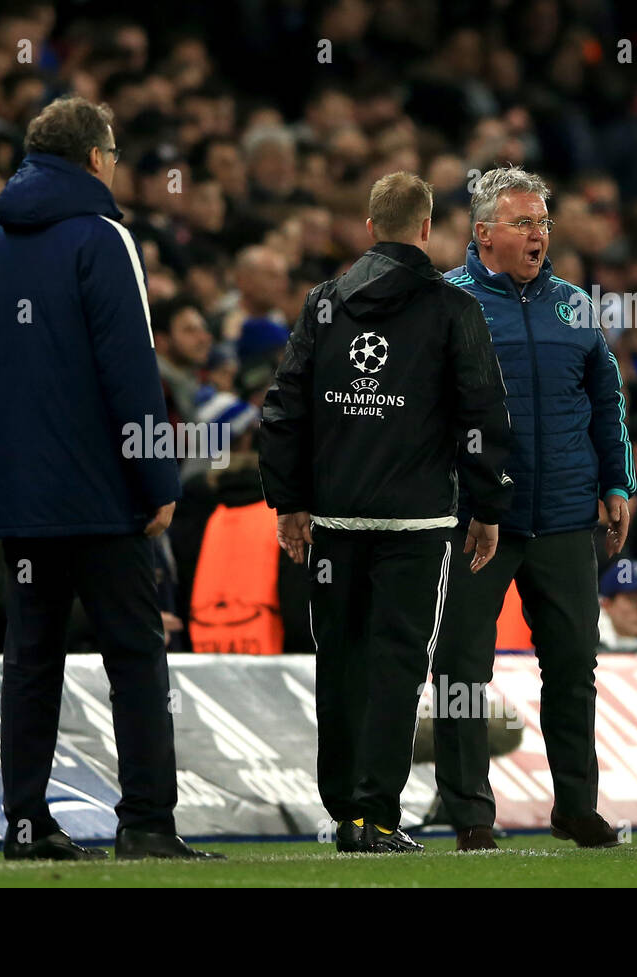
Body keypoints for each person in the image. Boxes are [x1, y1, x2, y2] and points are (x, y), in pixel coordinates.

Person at [0, 95, 220, 861]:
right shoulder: (104, 238)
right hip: (103, 495)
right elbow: (129, 368)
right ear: (95, 157)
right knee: (135, 657)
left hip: (23, 501)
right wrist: (157, 478)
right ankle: (144, 821)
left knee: (31, 659)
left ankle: (27, 821)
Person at [259, 171, 514, 854]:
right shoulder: (453, 311)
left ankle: (344, 811)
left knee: (339, 661)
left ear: (369, 228)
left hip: (335, 524)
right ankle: (375, 814)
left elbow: (283, 409)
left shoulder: (322, 304)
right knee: (398, 664)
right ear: (427, 229)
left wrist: (289, 502)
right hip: (416, 524)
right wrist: (487, 506)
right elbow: (482, 417)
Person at [432, 166, 635, 851]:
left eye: (544, 222)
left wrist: (619, 483)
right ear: (483, 232)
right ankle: (469, 811)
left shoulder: (576, 306)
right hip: (475, 522)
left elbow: (607, 403)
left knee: (574, 667)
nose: (539, 235)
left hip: (568, 515)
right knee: (462, 667)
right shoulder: (445, 303)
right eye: (524, 223)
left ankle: (576, 804)